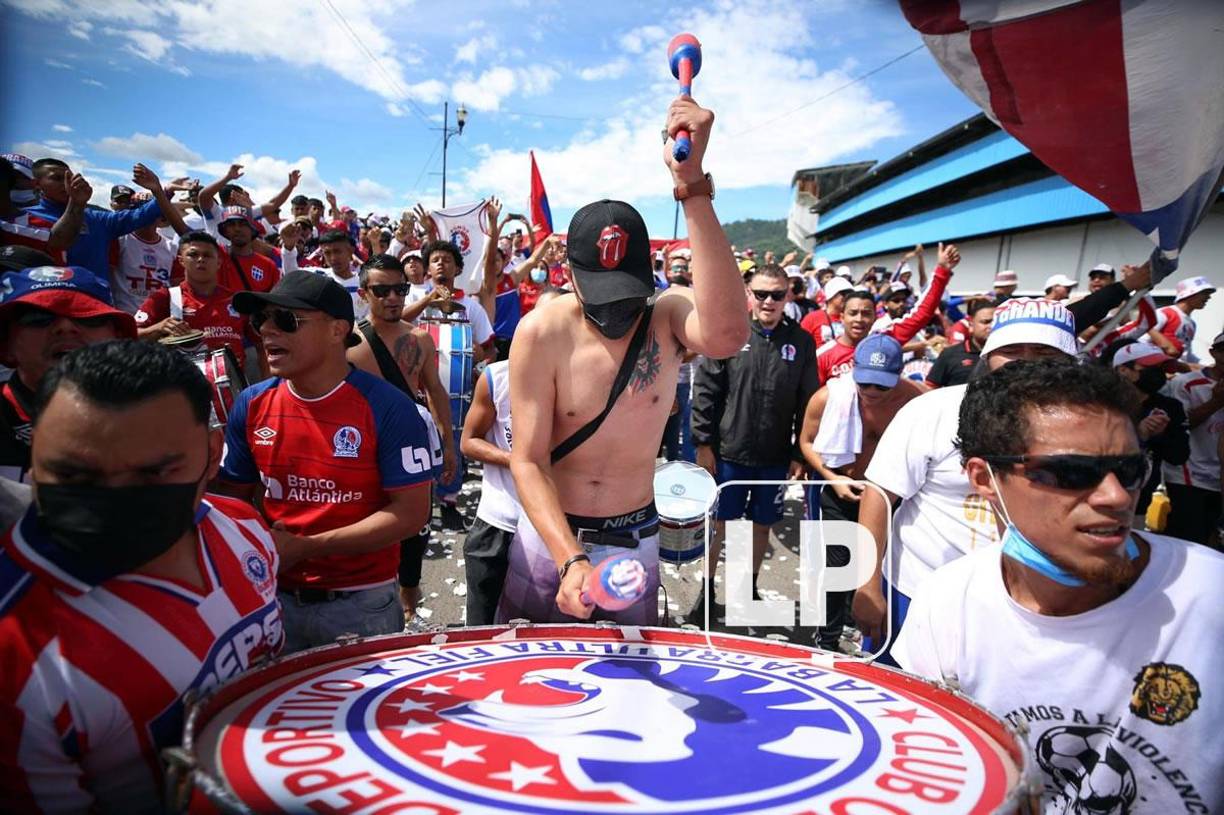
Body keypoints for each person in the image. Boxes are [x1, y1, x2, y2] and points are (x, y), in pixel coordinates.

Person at [893, 359, 1224, 815]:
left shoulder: (1212, 598)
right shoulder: (946, 603)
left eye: (1130, 469)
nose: (1117, 497)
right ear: (985, 478)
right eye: (1072, 472)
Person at [0, 340, 283, 813]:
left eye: (152, 473)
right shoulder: (17, 656)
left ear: (213, 454)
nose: (114, 502)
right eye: (74, 477)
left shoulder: (242, 528)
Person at [506, 94, 748, 624]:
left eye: (627, 294)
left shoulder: (666, 316)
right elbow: (527, 458)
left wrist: (693, 185)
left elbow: (729, 334)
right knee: (533, 683)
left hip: (633, 538)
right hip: (552, 540)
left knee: (629, 687)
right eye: (601, 294)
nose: (617, 312)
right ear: (569, 275)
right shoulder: (542, 331)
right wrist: (569, 558)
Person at [218, 270, 436, 653]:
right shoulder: (251, 404)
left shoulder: (389, 409)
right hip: (271, 596)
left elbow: (411, 514)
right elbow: (233, 500)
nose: (266, 331)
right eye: (260, 319)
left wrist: (309, 546)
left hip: (360, 605)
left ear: (337, 330)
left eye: (285, 320)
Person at [856, 296, 1079, 661]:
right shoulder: (934, 410)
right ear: (989, 355)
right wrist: (866, 586)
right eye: (1013, 350)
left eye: (1044, 352)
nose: (1026, 363)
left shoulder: (1085, 429)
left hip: (1026, 603)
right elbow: (879, 494)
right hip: (915, 592)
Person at [690, 264, 817, 619]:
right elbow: (706, 390)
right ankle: (707, 589)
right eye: (761, 293)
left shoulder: (802, 342)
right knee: (718, 523)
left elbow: (809, 401)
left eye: (777, 294)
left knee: (763, 525)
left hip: (775, 455)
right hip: (729, 451)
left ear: (788, 295)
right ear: (749, 294)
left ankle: (751, 586)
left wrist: (799, 454)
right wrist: (703, 443)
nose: (769, 301)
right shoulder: (732, 333)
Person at [346, 253, 454, 623]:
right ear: (365, 293)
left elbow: (436, 391)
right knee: (371, 519)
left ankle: (410, 585)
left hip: (411, 442)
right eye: (382, 290)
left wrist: (448, 443)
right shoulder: (347, 342)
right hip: (364, 444)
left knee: (417, 519)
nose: (393, 297)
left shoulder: (420, 340)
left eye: (400, 289)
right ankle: (370, 587)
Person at [798, 334, 923, 649]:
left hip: (887, 496)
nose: (870, 392)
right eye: (864, 383)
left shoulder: (916, 402)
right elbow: (806, 443)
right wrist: (831, 477)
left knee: (878, 565)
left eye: (881, 386)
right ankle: (827, 637)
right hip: (843, 489)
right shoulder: (828, 397)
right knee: (837, 566)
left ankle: (864, 628)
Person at [0, 266, 137, 484]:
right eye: (38, 317)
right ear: (6, 345)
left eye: (87, 316)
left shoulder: (154, 419)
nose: (65, 327)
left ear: (117, 338)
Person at [814, 243, 958, 384]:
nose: (859, 319)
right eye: (853, 313)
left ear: (874, 317)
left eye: (866, 313)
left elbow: (922, 314)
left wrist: (942, 271)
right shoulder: (822, 356)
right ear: (842, 317)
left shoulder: (884, 339)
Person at [134, 231, 265, 375]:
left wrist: (268, 382)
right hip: (183, 388)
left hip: (235, 388)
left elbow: (262, 344)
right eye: (193, 255)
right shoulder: (165, 297)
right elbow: (128, 336)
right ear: (181, 260)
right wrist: (158, 328)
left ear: (219, 262)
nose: (201, 259)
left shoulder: (237, 300)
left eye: (208, 255)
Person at [23, 159, 167, 280]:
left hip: (96, 305)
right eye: (57, 178)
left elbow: (140, 215)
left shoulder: (97, 219)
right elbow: (57, 242)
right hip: (49, 305)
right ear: (36, 184)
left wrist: (161, 190)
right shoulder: (26, 221)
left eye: (70, 178)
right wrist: (77, 203)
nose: (66, 184)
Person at [1107, 341, 1189, 525]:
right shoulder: (1100, 402)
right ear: (1123, 370)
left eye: (1161, 368)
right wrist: (1137, 435)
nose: (1157, 374)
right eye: (1150, 367)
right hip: (1096, 495)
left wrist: (1159, 435)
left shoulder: (1170, 407)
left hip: (1138, 505)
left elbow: (1179, 455)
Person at [1160, 331, 1223, 544]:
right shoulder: (1186, 383)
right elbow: (1182, 424)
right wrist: (1216, 402)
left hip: (1220, 478)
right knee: (1190, 540)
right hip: (1190, 477)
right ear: (1214, 353)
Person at [1142, 276, 1215, 362]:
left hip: (1177, 371)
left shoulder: (1192, 323)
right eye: (1205, 293)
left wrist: (1204, 366)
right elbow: (1142, 340)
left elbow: (1186, 354)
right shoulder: (1165, 313)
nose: (1209, 297)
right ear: (1190, 294)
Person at [926, 298, 994, 387]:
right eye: (985, 322)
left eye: (995, 322)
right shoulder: (950, 354)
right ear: (971, 326)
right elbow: (930, 387)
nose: (991, 326)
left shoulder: (1011, 353)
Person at [800, 276, 852, 345]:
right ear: (831, 294)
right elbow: (801, 342)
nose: (847, 297)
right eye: (844, 293)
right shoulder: (813, 318)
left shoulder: (851, 318)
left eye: (851, 294)